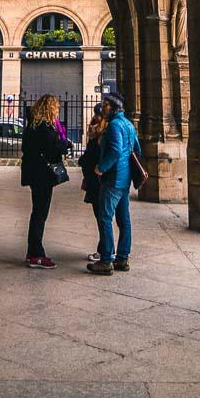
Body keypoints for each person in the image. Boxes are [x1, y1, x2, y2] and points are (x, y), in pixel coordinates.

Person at [87, 95, 141, 276]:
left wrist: (100, 168)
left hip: (113, 179)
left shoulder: (115, 126)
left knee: (105, 218)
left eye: (105, 105)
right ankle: (123, 257)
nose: (103, 108)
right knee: (124, 220)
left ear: (112, 107)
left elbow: (116, 151)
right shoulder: (128, 124)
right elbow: (136, 150)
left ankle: (106, 260)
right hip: (125, 180)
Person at [20, 93, 69, 268]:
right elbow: (53, 150)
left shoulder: (32, 126)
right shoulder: (45, 129)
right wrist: (65, 145)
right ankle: (36, 255)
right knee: (40, 214)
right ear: (50, 109)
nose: (57, 111)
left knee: (37, 213)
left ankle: (32, 251)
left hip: (34, 174)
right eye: (56, 108)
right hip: (42, 176)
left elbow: (26, 148)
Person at [78, 108, 108, 263]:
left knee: (102, 217)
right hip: (93, 179)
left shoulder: (103, 135)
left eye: (98, 114)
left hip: (98, 180)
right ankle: (104, 249)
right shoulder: (96, 133)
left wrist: (87, 162)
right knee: (101, 217)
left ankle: (105, 251)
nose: (95, 116)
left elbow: (98, 155)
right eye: (95, 113)